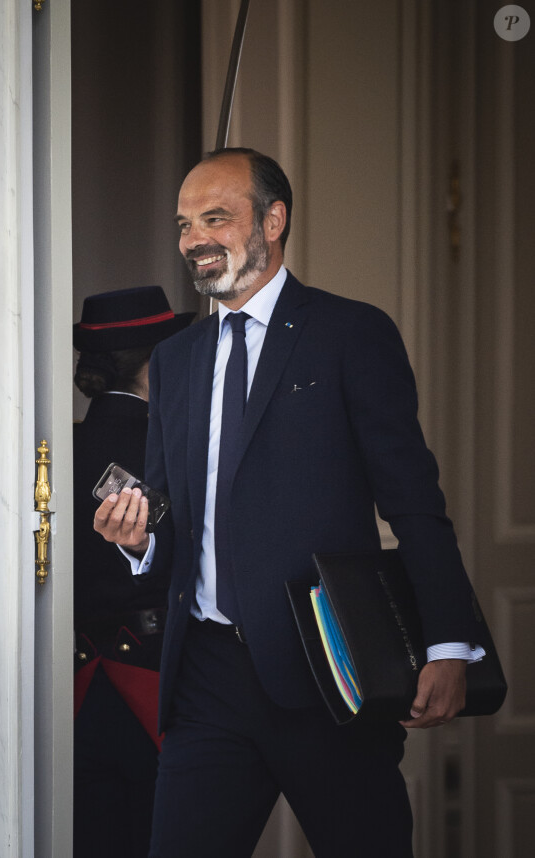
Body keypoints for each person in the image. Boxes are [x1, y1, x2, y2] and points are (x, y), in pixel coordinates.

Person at [93, 148, 487, 858]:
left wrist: (449, 641)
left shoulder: (351, 335)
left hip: (330, 667)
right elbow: (166, 507)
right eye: (185, 224)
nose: (194, 239)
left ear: (274, 221)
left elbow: (414, 501)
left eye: (215, 217)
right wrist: (138, 538)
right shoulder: (178, 360)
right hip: (205, 681)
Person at [72, 285, 194, 858]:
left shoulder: (52, 447)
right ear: (155, 361)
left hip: (72, 688)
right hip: (156, 680)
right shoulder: (169, 443)